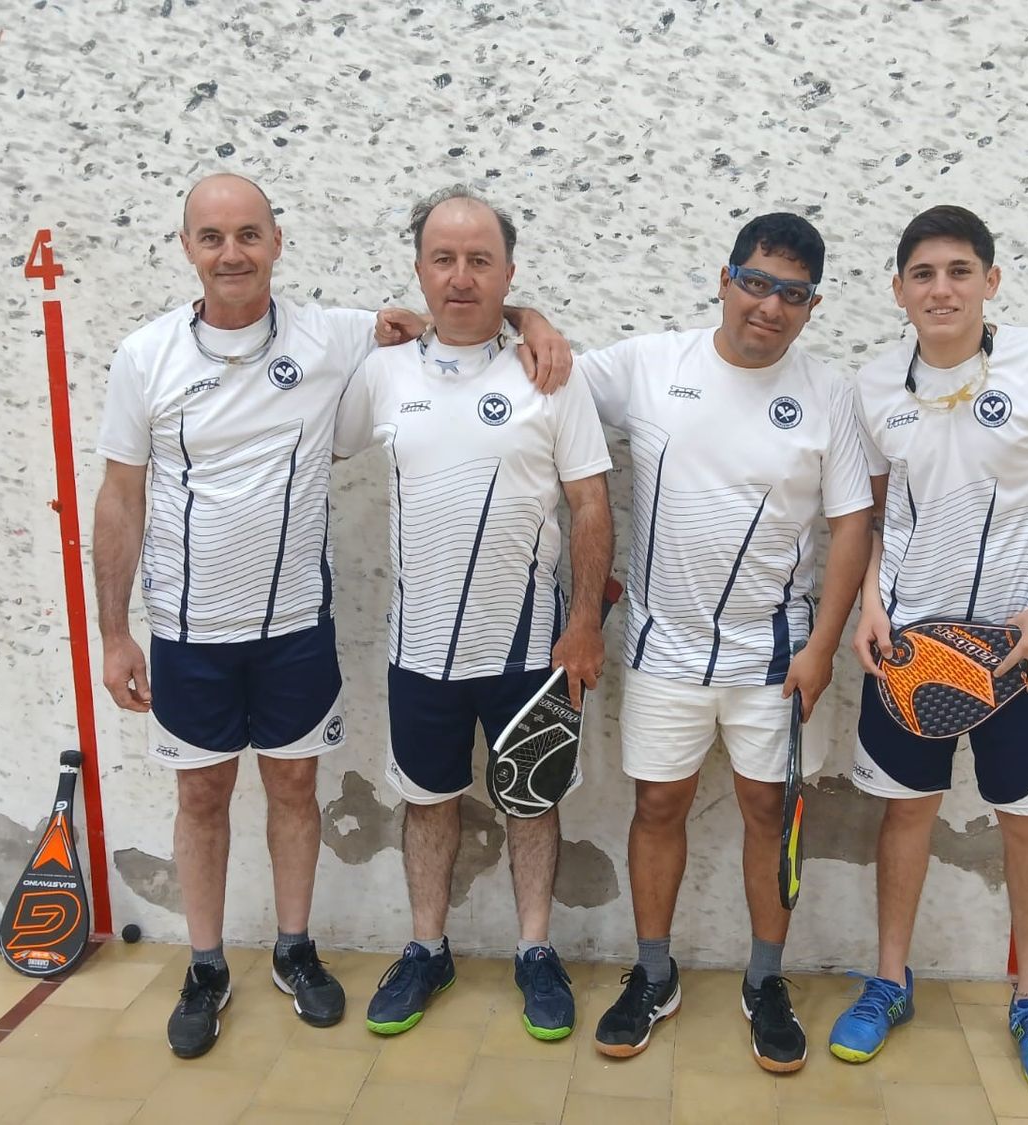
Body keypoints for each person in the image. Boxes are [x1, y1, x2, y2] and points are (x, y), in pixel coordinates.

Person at [93, 173, 569, 1059]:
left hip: (294, 626)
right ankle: (205, 964)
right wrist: (115, 631)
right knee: (200, 795)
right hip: (187, 630)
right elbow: (119, 497)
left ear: (278, 241)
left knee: (293, 789)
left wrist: (531, 319)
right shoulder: (143, 356)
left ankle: (294, 949)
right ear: (186, 247)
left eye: (248, 234)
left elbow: (452, 314)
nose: (231, 253)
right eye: (211, 237)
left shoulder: (336, 337)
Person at [574, 214, 875, 1073]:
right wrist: (513, 316)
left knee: (768, 813)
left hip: (777, 659)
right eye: (756, 282)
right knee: (657, 808)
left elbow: (852, 526)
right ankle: (653, 973)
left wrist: (823, 647)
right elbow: (542, 377)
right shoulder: (649, 365)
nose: (769, 306)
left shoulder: (830, 393)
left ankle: (766, 981)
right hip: (662, 650)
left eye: (792, 294)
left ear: (812, 306)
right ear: (724, 279)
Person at [830, 204, 1028, 1097]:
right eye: (923, 273)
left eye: (960, 271)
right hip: (908, 651)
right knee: (905, 814)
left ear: (990, 281)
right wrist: (869, 604)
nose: (942, 288)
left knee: (1026, 823)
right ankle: (890, 980)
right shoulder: (874, 383)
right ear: (899, 290)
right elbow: (875, 513)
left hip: (1021, 652)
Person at [334, 186, 613, 1042]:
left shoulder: (548, 371)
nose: (461, 276)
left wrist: (584, 625)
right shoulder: (382, 373)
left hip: (532, 648)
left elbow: (591, 504)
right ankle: (427, 949)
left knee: (532, 802)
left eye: (480, 260)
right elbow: (327, 439)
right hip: (420, 650)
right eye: (444, 259)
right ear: (420, 269)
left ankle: (535, 951)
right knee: (428, 803)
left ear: (508, 272)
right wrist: (388, 329)